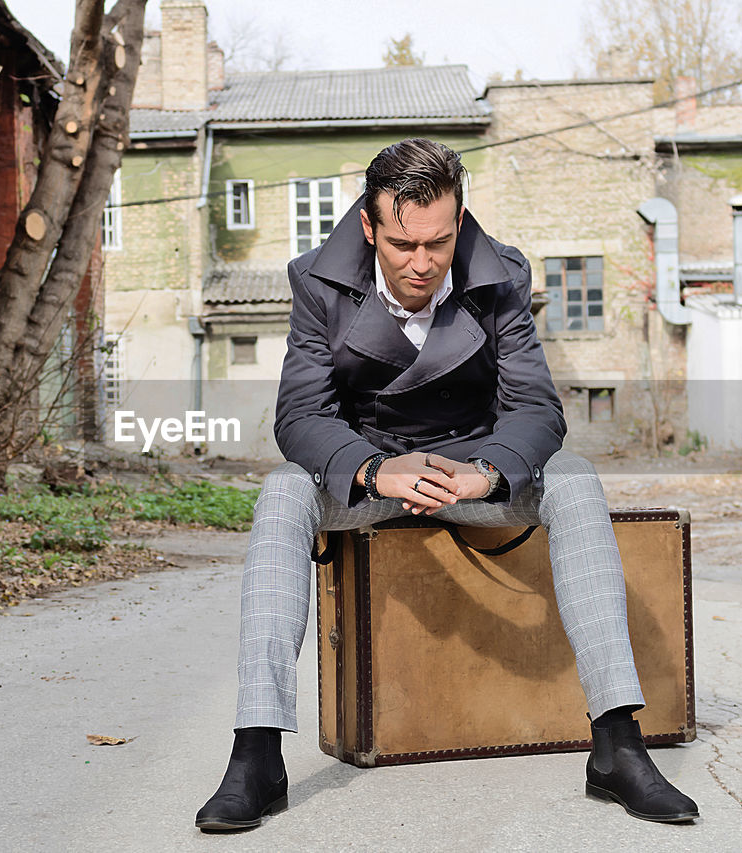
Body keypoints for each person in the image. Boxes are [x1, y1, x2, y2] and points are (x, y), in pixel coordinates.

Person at [194, 138, 699, 831]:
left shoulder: (501, 276)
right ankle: (257, 752)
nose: (423, 263)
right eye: (403, 244)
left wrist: (485, 473)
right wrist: (374, 468)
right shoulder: (316, 281)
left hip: (473, 474)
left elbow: (535, 407)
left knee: (576, 477)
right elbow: (301, 414)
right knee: (283, 489)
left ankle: (617, 743)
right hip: (368, 472)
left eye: (438, 242)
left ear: (457, 222)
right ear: (369, 226)